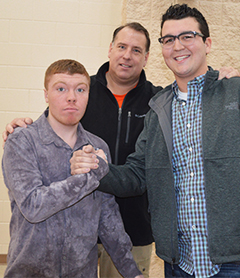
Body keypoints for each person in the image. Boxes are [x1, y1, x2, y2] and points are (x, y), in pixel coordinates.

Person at [69, 4, 240, 278]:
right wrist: (96, 167)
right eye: (169, 39)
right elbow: (137, 174)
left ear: (208, 43)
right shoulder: (159, 109)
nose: (177, 46)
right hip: (179, 264)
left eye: (187, 36)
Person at [1, 22, 239, 278]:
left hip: (131, 231)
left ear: (147, 57)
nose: (127, 55)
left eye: (136, 50)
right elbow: (56, 121)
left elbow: (192, 97)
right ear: (110, 49)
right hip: (40, 261)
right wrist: (25, 127)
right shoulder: (76, 97)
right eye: (122, 47)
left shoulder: (159, 102)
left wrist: (222, 85)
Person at [2, 59, 143, 278]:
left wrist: (133, 273)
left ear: (88, 95)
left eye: (80, 89)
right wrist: (89, 176)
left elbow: (108, 219)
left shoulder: (97, 147)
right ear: (46, 94)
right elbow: (33, 206)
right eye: (60, 88)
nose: (71, 97)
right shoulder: (22, 141)